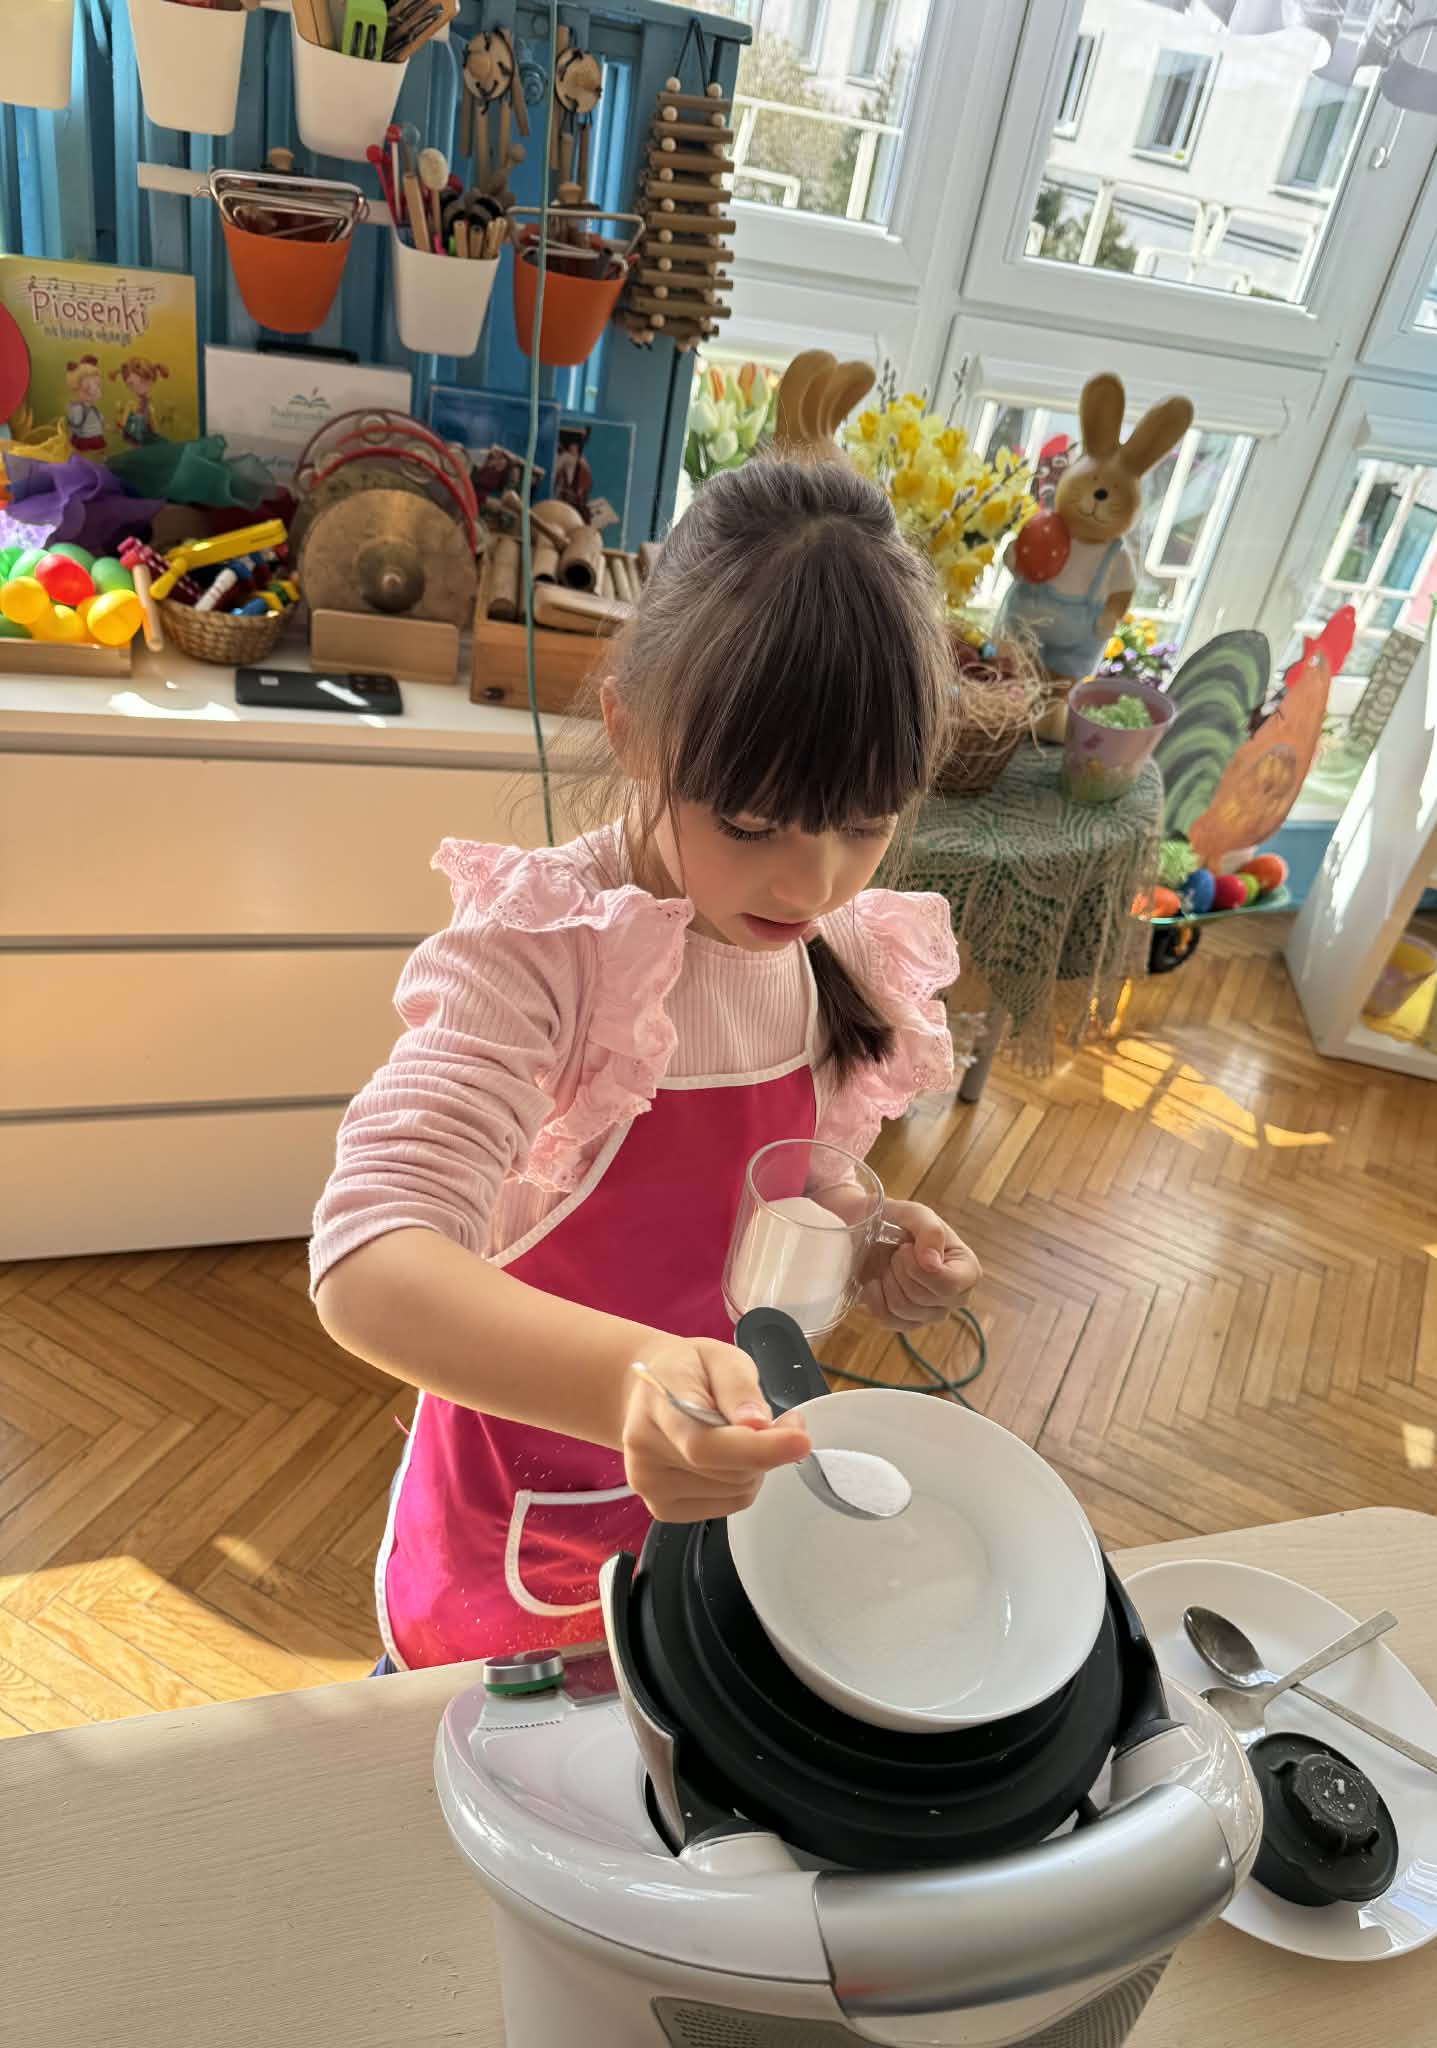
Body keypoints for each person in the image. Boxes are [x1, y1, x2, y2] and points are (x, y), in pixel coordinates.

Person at [310, 457, 982, 1672]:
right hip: (524, 1515)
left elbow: (794, 1177)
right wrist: (631, 1381)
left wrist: (869, 1234)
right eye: (750, 821)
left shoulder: (837, 952)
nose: (814, 882)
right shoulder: (546, 947)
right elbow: (368, 1259)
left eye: (864, 823)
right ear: (629, 728)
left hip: (717, 1489)